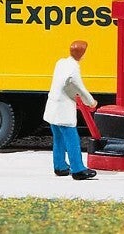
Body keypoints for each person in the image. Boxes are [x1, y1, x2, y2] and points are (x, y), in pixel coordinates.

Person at [44, 40, 98, 180]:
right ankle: (78, 169)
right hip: (63, 109)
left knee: (59, 138)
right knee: (72, 139)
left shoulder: (61, 62)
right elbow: (80, 88)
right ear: (82, 54)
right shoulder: (73, 69)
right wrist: (91, 102)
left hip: (52, 106)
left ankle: (60, 166)